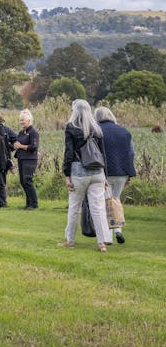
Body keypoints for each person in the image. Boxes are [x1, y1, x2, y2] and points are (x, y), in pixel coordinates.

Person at [62, 99, 109, 253]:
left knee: (74, 207)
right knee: (98, 208)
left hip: (79, 171)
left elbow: (69, 153)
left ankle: (70, 240)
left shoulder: (71, 127)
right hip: (98, 172)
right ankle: (102, 242)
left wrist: (66, 174)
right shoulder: (97, 129)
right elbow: (103, 154)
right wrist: (106, 176)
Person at [94, 107, 136, 244]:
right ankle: (118, 231)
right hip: (122, 173)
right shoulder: (124, 131)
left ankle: (107, 237)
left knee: (105, 203)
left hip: (105, 172)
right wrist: (129, 173)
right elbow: (131, 153)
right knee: (115, 200)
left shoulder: (96, 131)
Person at [13, 109, 40, 210]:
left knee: (27, 180)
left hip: (30, 159)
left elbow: (34, 147)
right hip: (21, 158)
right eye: (20, 120)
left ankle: (34, 203)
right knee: (22, 181)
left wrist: (21, 146)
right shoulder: (21, 132)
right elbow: (18, 144)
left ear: (29, 120)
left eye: (23, 120)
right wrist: (15, 146)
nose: (21, 122)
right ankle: (28, 204)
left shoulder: (33, 132)